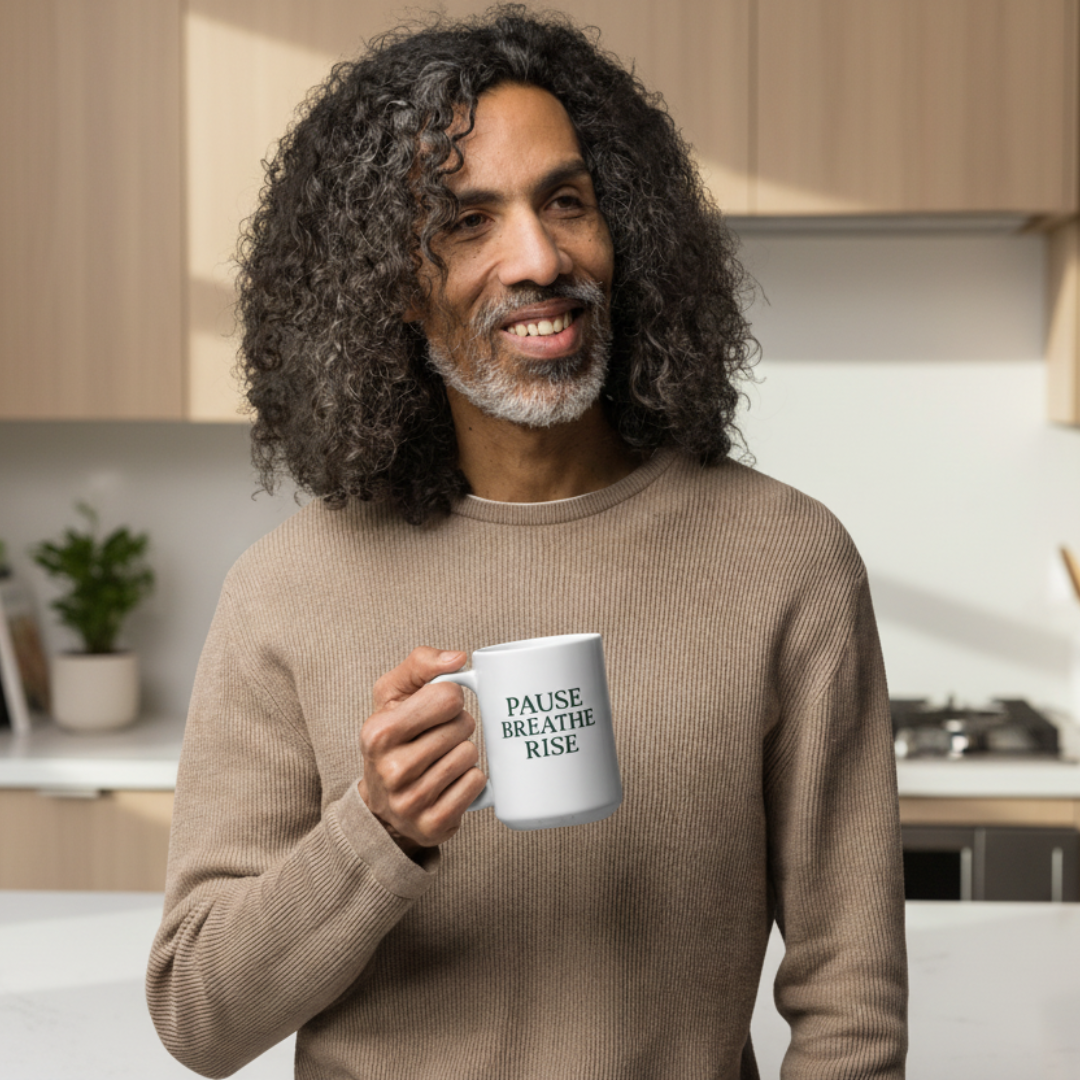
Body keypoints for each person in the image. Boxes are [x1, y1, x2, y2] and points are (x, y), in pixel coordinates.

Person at [147, 8, 907, 1078]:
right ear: (388, 287)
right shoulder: (285, 593)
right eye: (466, 221)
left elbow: (852, 1013)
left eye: (566, 202)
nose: (540, 258)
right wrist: (377, 832)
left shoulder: (787, 561)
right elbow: (198, 1017)